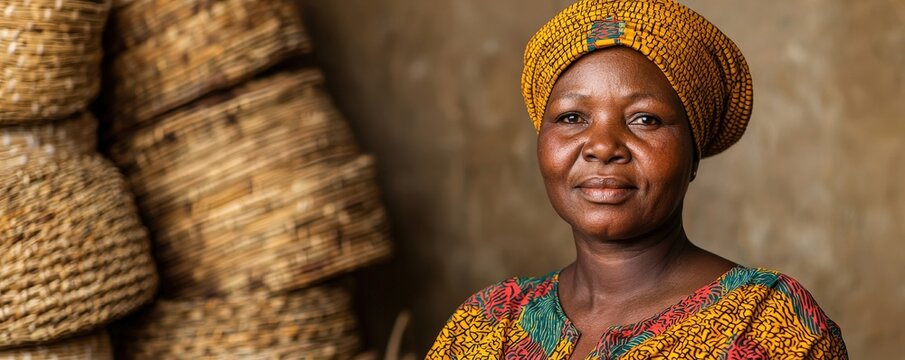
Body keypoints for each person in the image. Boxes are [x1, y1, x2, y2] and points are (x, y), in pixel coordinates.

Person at [426, 0, 848, 359]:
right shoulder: (484, 324)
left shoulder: (769, 324)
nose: (604, 146)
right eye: (572, 118)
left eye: (645, 119)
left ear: (693, 155)